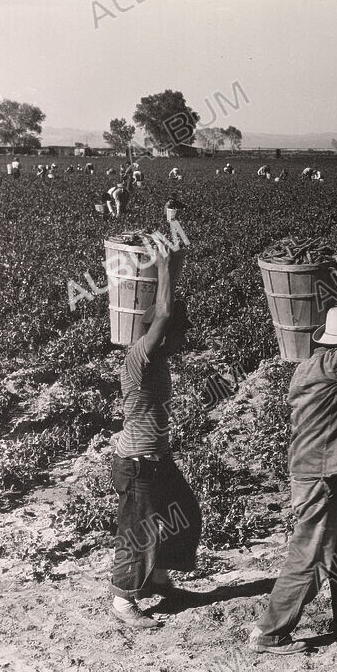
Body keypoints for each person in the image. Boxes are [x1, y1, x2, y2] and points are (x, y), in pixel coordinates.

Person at [249, 256, 337, 655]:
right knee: (309, 556)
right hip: (320, 473)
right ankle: (270, 632)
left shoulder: (306, 367)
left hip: (314, 470)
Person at [109, 247, 201, 628]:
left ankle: (161, 578)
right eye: (177, 335)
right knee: (138, 533)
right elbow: (162, 314)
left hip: (157, 459)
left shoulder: (158, 359)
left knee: (185, 514)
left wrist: (174, 263)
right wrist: (162, 267)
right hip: (136, 463)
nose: (182, 342)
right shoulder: (140, 356)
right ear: (160, 335)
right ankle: (122, 601)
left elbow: (167, 311)